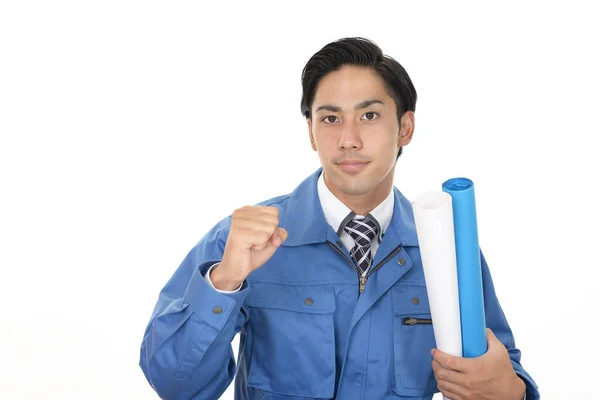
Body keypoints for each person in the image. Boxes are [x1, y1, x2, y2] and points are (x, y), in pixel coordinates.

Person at [139, 37, 539, 400]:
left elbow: (502, 367)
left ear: (405, 127)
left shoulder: (447, 249)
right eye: (330, 119)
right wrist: (225, 281)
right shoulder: (245, 240)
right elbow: (175, 385)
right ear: (311, 132)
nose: (348, 138)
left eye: (369, 116)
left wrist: (510, 391)